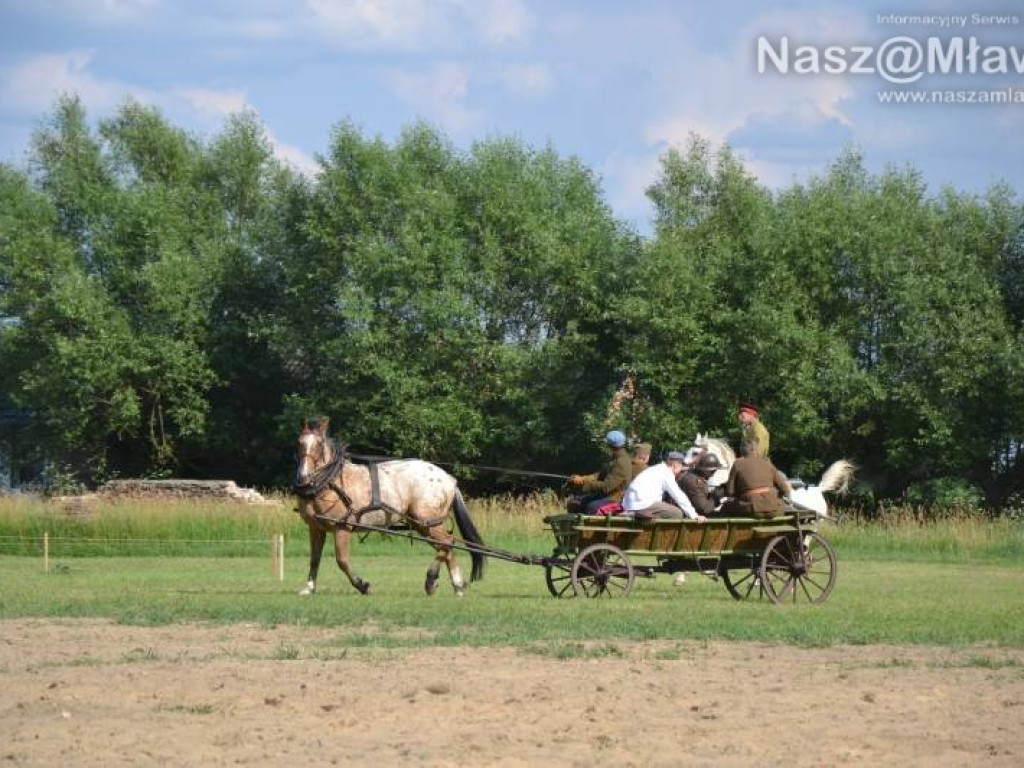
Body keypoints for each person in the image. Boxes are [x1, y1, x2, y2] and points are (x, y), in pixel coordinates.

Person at [622, 451, 706, 521]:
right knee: (678, 513)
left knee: (664, 507)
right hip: (641, 505)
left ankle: (638, 514)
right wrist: (694, 515)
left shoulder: (655, 468)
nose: (681, 470)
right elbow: (678, 495)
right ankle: (639, 515)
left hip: (629, 504)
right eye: (681, 466)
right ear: (675, 465)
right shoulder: (666, 473)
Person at [568, 430, 633, 515]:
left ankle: (589, 528)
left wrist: (585, 483)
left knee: (591, 507)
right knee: (575, 503)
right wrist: (584, 478)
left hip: (616, 499)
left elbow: (606, 487)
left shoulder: (621, 462)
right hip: (607, 496)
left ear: (609, 444)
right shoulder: (615, 457)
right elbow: (601, 474)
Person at [719, 440, 789, 518]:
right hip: (775, 509)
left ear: (741, 451)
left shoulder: (738, 463)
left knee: (725, 507)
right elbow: (785, 489)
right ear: (755, 450)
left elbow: (730, 492)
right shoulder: (767, 464)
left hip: (751, 509)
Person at [678, 452, 723, 517]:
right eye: (712, 471)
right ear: (705, 470)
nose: (713, 474)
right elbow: (703, 509)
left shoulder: (696, 478)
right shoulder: (693, 481)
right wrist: (716, 497)